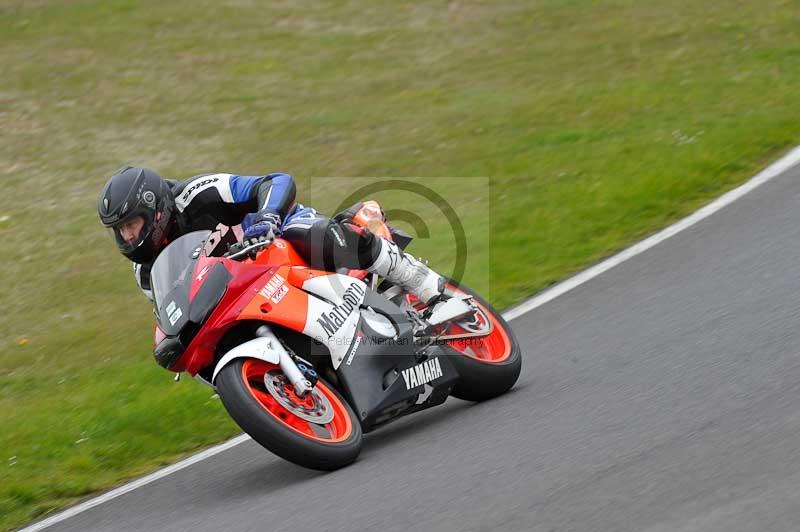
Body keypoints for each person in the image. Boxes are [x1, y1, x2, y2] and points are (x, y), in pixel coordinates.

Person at [97, 166, 444, 303]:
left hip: (278, 241)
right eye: (121, 231)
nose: (128, 237)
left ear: (154, 209)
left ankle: (421, 281)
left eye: (131, 225)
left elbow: (276, 181)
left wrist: (265, 218)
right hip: (245, 289)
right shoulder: (145, 273)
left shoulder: (199, 193)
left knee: (305, 232)